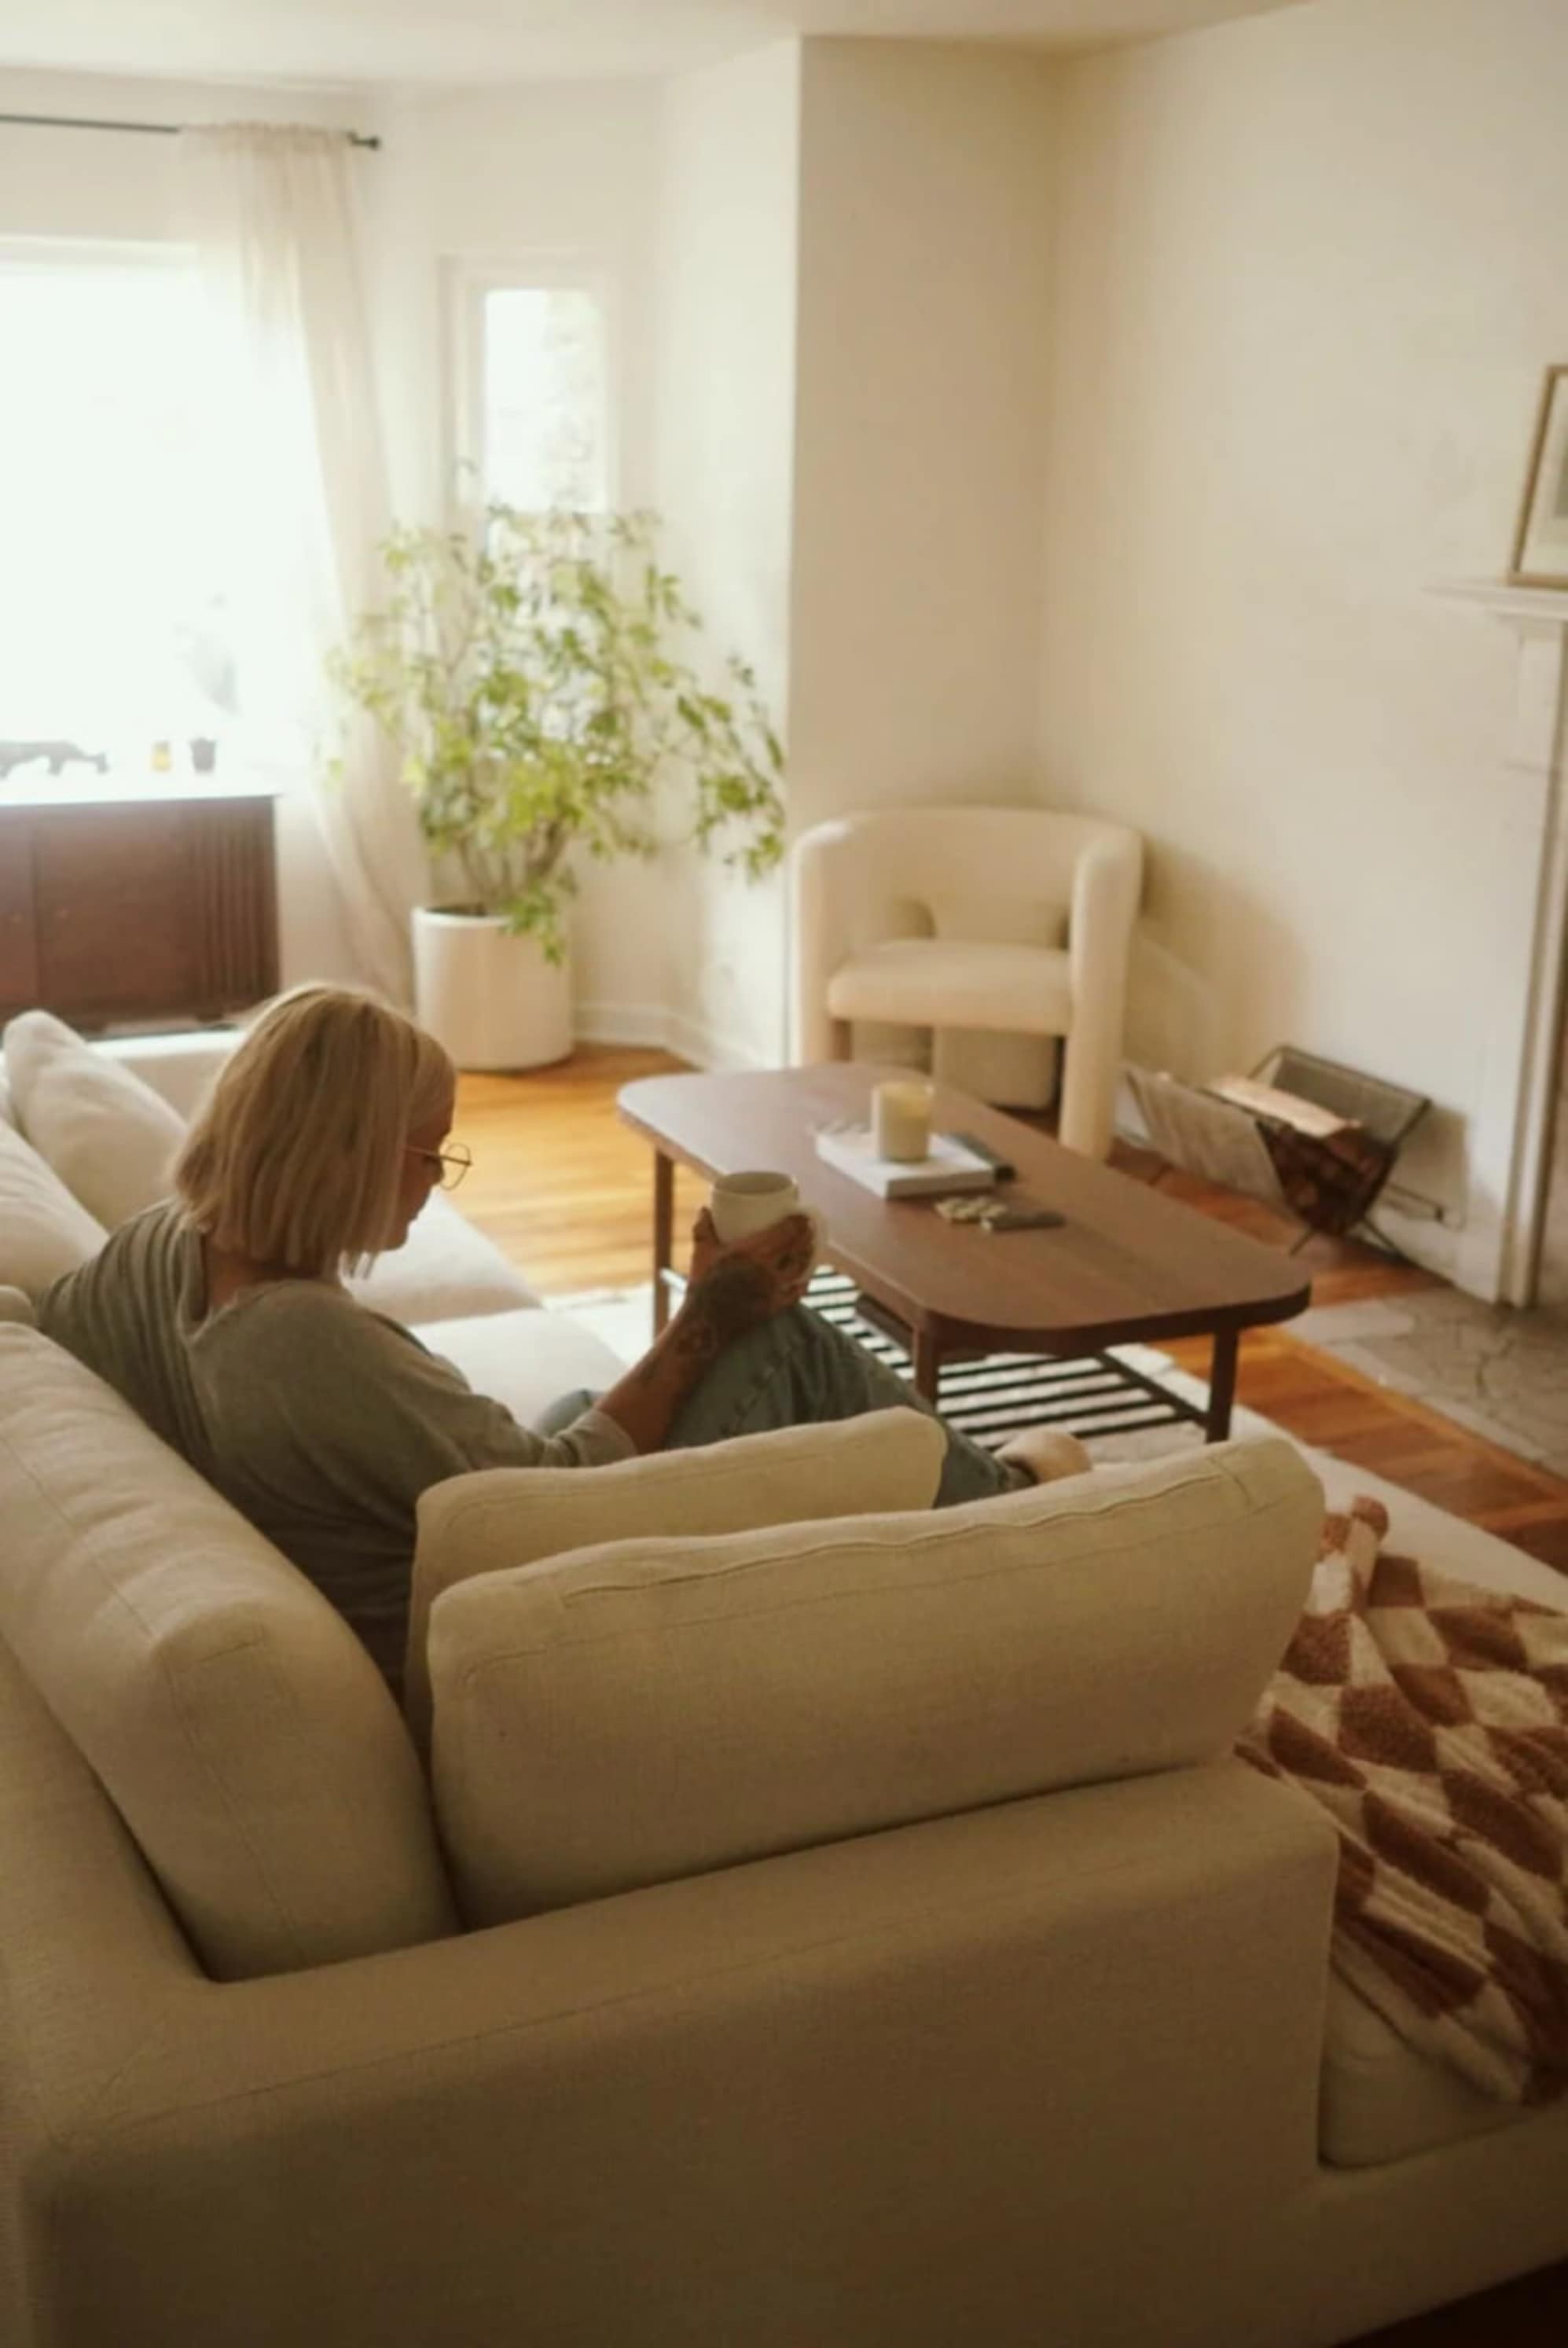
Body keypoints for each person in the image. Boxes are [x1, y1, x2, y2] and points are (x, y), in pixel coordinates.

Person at [38, 985, 1085, 1695]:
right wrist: (705, 1313)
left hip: (452, 1528)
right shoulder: (303, 1348)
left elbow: (45, 1325)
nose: (436, 1173)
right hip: (516, 1606)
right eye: (429, 1151)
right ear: (349, 1156)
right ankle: (1023, 1510)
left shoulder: (157, 1253)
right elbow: (555, 1493)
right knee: (779, 1345)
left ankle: (947, 1490)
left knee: (575, 1400)